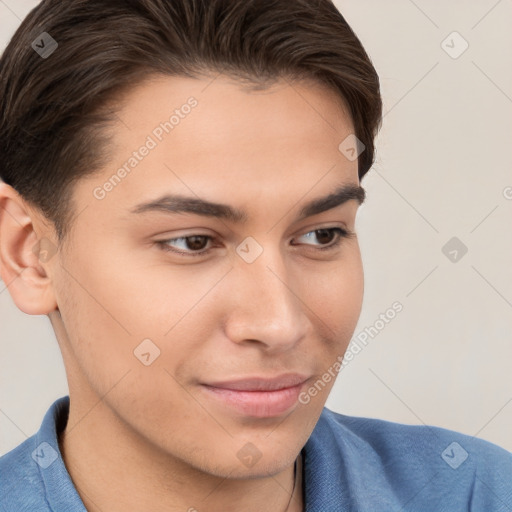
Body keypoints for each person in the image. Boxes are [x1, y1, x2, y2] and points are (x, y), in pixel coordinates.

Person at [0, 1, 510, 511]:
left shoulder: (480, 493)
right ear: (29, 255)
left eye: (322, 235)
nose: (279, 323)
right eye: (192, 242)